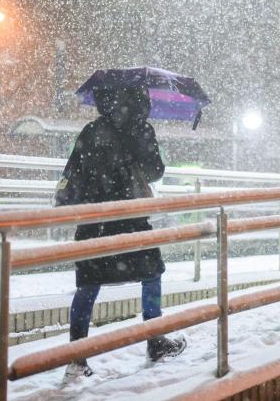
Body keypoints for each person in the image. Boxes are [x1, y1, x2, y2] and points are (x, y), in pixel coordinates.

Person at [56, 86, 186, 379]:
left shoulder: (91, 130)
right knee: (152, 274)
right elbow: (155, 171)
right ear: (141, 103)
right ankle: (154, 339)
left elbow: (73, 172)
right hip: (131, 220)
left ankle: (77, 356)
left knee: (88, 285)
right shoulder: (140, 131)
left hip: (94, 220)